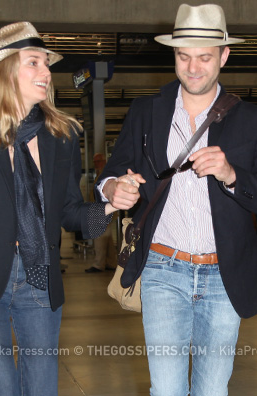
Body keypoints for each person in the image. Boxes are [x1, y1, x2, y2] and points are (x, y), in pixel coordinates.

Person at [96, 4, 257, 395]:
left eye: (204, 57)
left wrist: (231, 174)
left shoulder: (249, 119)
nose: (193, 67)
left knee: (212, 391)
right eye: (184, 57)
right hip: (162, 270)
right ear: (174, 56)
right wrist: (113, 187)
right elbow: (110, 173)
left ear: (224, 56)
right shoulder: (146, 112)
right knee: (166, 390)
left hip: (223, 274)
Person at [0, 22, 130, 395]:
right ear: (6, 70)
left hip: (40, 278)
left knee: (40, 388)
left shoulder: (61, 135)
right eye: (34, 62)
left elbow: (69, 212)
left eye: (46, 64)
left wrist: (108, 206)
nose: (46, 72)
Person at [85, 153, 118, 273]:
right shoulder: (100, 173)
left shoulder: (106, 173)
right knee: (107, 239)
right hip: (102, 210)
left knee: (99, 236)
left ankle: (98, 264)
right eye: (95, 161)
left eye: (98, 161)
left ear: (104, 161)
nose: (96, 163)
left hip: (103, 211)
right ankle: (111, 262)